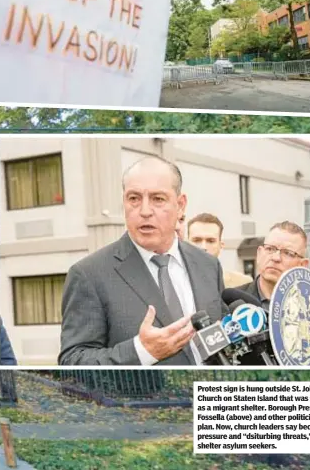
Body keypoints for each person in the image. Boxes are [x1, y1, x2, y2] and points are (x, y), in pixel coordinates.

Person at [59, 157, 228, 366]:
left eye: (157, 199)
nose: (145, 211)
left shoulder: (208, 265)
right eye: (134, 198)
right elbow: (73, 362)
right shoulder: (89, 275)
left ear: (181, 205)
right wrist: (141, 352)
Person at [237, 221, 310, 366]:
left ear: (303, 264)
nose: (275, 258)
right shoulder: (233, 301)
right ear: (259, 253)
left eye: (288, 253)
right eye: (270, 249)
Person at [187, 213, 253, 287]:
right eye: (197, 240)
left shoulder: (243, 283)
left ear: (221, 246)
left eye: (210, 241)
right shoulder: (175, 282)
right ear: (186, 244)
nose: (203, 247)